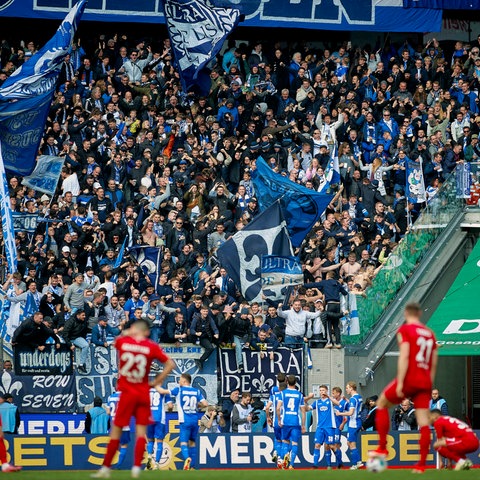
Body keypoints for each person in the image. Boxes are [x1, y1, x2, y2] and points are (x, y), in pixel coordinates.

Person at [91, 319, 175, 479]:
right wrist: (156, 382)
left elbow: (117, 339)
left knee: (116, 432)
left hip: (127, 392)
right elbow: (170, 364)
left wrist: (126, 329)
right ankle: (137, 468)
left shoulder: (124, 342)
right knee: (141, 433)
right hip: (143, 392)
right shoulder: (151, 347)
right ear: (147, 333)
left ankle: (106, 468)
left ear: (134, 330)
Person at [371, 302, 438, 474]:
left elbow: (405, 355)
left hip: (409, 377)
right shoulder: (430, 334)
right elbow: (433, 362)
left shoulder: (405, 330)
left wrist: (400, 381)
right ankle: (421, 465)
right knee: (423, 422)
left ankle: (382, 448)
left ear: (406, 313)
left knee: (381, 403)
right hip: (424, 382)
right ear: (420, 313)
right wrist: (428, 384)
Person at [167, 373, 208, 470]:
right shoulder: (196, 391)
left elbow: (166, 392)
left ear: (184, 381)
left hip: (184, 420)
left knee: (183, 443)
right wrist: (198, 406)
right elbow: (205, 404)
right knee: (192, 442)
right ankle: (192, 466)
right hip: (195, 420)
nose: (178, 381)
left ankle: (187, 458)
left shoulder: (179, 390)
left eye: (180, 380)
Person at [276, 374, 306, 470]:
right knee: (295, 443)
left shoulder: (282, 393)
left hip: (286, 421)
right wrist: (303, 425)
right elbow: (303, 411)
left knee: (285, 441)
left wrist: (279, 420)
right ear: (296, 383)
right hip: (296, 421)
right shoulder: (300, 395)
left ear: (287, 382)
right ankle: (291, 465)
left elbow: (277, 408)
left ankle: (284, 462)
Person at [306, 385, 338, 469]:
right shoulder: (317, 402)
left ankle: (337, 462)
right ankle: (315, 465)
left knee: (330, 446)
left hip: (329, 427)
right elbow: (307, 409)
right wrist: (306, 400)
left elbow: (337, 403)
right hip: (320, 427)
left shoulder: (330, 401)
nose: (321, 392)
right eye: (320, 390)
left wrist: (329, 396)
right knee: (317, 445)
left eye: (323, 390)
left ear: (326, 391)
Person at [334, 381, 363, 470]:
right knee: (349, 442)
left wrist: (340, 414)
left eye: (347, 388)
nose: (346, 389)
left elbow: (351, 412)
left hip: (353, 423)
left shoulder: (353, 399)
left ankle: (355, 464)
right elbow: (356, 406)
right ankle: (358, 461)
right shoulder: (359, 397)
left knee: (351, 443)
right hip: (358, 421)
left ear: (351, 388)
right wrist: (347, 400)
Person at [145, 387, 172, 470]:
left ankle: (149, 456)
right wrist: (169, 409)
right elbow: (170, 406)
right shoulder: (163, 390)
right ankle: (156, 464)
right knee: (159, 441)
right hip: (160, 418)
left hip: (148, 418)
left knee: (150, 441)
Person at [264, 373, 286, 466]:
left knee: (277, 440)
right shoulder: (288, 393)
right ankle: (281, 459)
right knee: (285, 440)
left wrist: (268, 417)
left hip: (275, 420)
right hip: (285, 420)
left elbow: (267, 408)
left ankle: (276, 453)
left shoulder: (273, 392)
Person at [105, 390, 131, 468]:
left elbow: (108, 412)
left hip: (114, 425)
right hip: (124, 425)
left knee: (113, 445)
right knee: (123, 445)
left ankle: (107, 465)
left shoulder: (110, 397)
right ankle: (119, 465)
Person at [331, 386, 348, 468]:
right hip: (332, 427)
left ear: (338, 393)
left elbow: (347, 415)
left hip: (338, 426)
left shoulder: (344, 403)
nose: (332, 395)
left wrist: (342, 424)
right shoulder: (333, 403)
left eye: (333, 393)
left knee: (336, 445)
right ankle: (340, 463)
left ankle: (339, 464)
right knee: (331, 445)